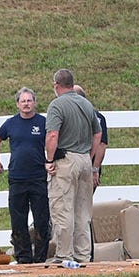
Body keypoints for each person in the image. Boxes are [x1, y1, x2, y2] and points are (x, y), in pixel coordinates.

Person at [44, 69, 99, 265]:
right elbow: (98, 134)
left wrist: (49, 160)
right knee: (83, 211)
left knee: (63, 208)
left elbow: (52, 135)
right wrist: (89, 156)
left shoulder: (57, 105)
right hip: (84, 159)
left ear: (56, 85)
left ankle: (63, 254)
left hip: (66, 160)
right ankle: (83, 255)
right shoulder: (86, 103)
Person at [0, 87, 51, 265]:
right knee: (18, 219)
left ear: (35, 103)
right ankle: (23, 256)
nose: (26, 104)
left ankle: (40, 257)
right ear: (17, 104)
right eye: (23, 101)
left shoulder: (43, 122)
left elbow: (53, 141)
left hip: (38, 177)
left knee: (41, 219)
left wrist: (50, 160)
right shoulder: (10, 123)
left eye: (29, 100)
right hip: (17, 177)